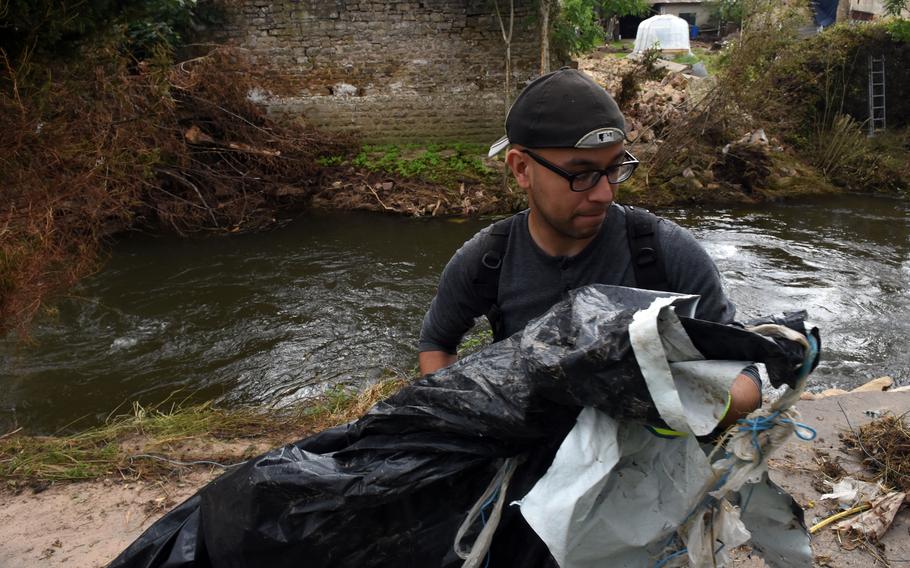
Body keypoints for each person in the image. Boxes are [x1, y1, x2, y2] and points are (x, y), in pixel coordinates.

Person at [418, 67, 760, 426]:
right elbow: (437, 343)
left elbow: (745, 375)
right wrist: (460, 419)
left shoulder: (665, 253)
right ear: (521, 169)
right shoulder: (487, 261)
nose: (604, 194)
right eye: (580, 174)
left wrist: (674, 403)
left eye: (614, 168)